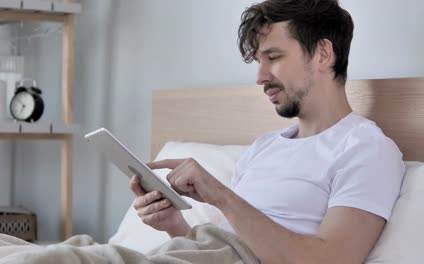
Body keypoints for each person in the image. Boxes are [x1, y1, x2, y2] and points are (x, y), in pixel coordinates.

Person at [129, 0, 405, 263]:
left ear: (322, 54)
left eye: (273, 57)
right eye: (259, 61)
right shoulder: (264, 147)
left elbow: (331, 260)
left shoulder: (365, 148)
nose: (260, 77)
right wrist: (173, 224)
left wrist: (221, 195)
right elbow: (217, 251)